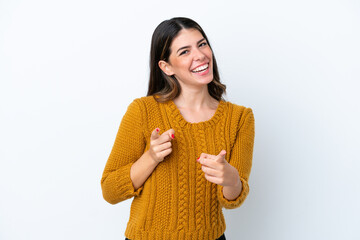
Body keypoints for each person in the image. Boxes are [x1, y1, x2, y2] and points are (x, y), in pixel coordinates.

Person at [100, 17, 255, 240]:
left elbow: (232, 200)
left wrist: (231, 180)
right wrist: (151, 157)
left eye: (202, 44)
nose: (200, 55)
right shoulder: (142, 111)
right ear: (166, 66)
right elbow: (110, 191)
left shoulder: (239, 118)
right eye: (184, 51)